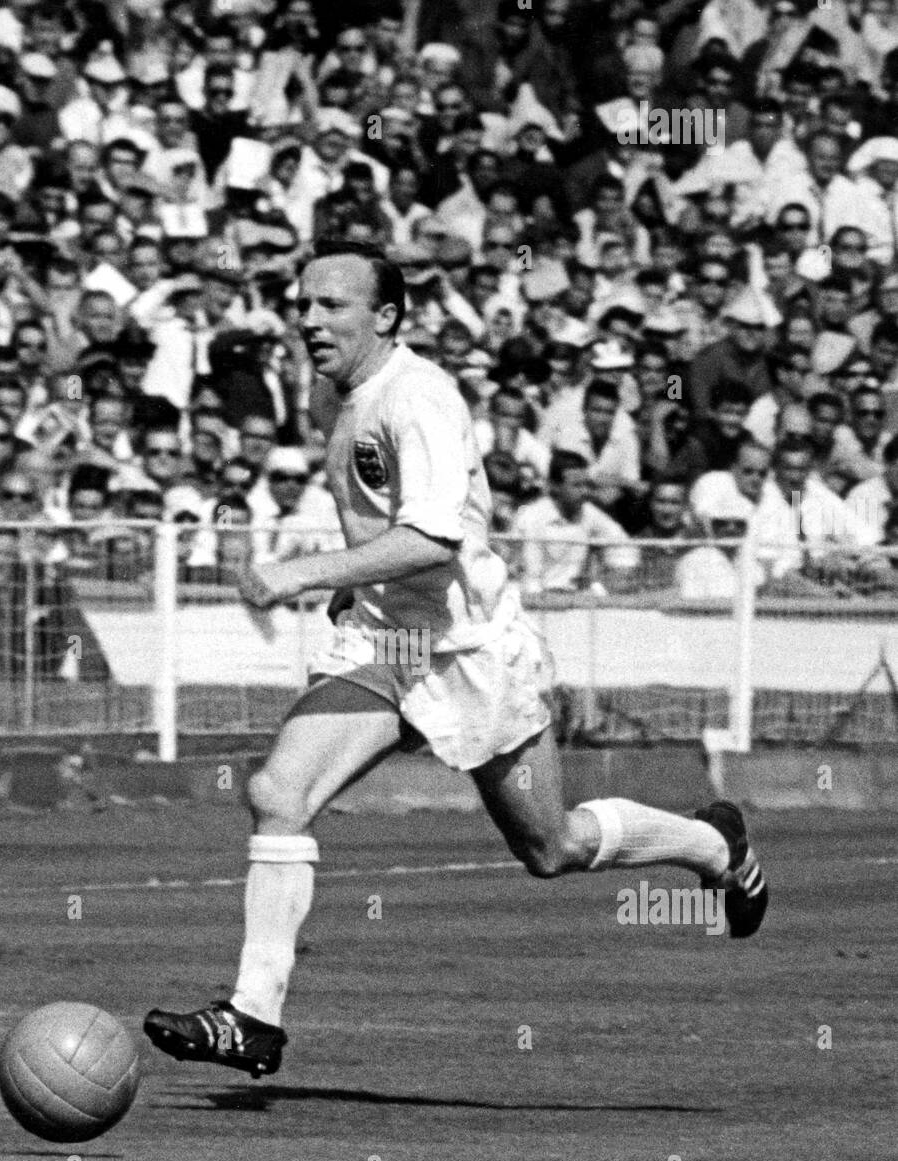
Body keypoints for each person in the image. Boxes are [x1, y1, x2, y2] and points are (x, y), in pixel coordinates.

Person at [144, 241, 769, 1079]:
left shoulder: (420, 397)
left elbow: (434, 536)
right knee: (276, 793)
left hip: (469, 650)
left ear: (387, 317)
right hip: (383, 641)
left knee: (550, 849)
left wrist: (300, 572)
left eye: (331, 305)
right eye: (302, 303)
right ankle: (252, 1016)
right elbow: (381, 526)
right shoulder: (334, 392)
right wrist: (346, 590)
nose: (308, 318)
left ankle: (712, 846)